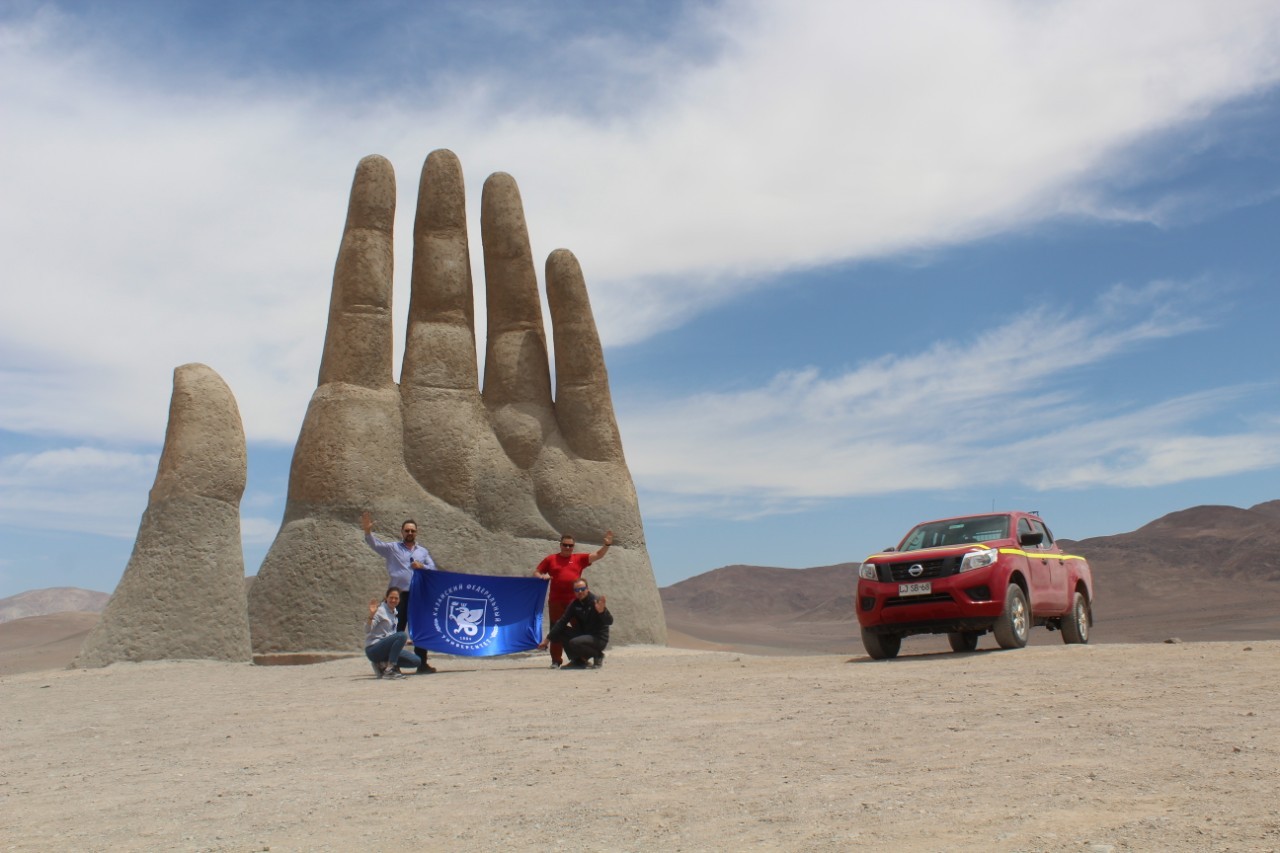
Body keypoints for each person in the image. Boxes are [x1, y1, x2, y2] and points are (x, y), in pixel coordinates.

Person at [361, 511, 438, 673]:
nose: (410, 533)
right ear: (402, 532)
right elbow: (375, 545)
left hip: (418, 596)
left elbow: (434, 569)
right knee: (396, 629)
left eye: (413, 530)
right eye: (407, 530)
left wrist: (422, 566)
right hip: (399, 596)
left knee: (420, 629)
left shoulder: (422, 552)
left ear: (417, 532)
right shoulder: (392, 548)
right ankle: (392, 665)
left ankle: (422, 664)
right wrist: (368, 532)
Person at [533, 530, 613, 668]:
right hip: (556, 600)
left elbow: (598, 555)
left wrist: (606, 545)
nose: (568, 548)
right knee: (557, 628)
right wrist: (542, 577)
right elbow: (537, 572)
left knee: (579, 630)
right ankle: (556, 660)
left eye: (571, 546)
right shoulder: (551, 559)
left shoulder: (579, 559)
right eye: (565, 545)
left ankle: (581, 658)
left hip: (575, 602)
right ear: (560, 545)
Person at [538, 579, 612, 670]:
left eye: (582, 589)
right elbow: (562, 622)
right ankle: (578, 660)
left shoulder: (595, 602)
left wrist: (602, 612)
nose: (580, 592)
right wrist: (547, 640)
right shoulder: (574, 604)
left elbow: (609, 621)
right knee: (560, 629)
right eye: (577, 590)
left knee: (575, 642)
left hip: (598, 638)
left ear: (587, 589)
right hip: (584, 635)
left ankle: (598, 655)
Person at [365, 589, 421, 679]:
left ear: (399, 600)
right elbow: (367, 629)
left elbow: (391, 636)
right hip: (374, 649)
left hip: (386, 649)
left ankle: (382, 664)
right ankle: (390, 669)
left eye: (396, 598)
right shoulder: (380, 611)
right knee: (402, 635)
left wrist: (406, 642)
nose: (393, 600)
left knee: (416, 661)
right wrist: (371, 615)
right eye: (391, 598)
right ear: (386, 598)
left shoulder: (394, 613)